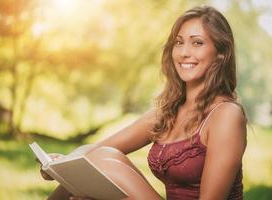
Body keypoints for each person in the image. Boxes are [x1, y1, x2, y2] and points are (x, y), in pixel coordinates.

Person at [39, 5, 247, 200]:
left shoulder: (226, 115)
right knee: (102, 157)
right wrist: (60, 165)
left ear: (220, 54)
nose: (184, 52)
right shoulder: (170, 110)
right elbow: (98, 150)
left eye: (197, 43)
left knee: (104, 165)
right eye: (179, 42)